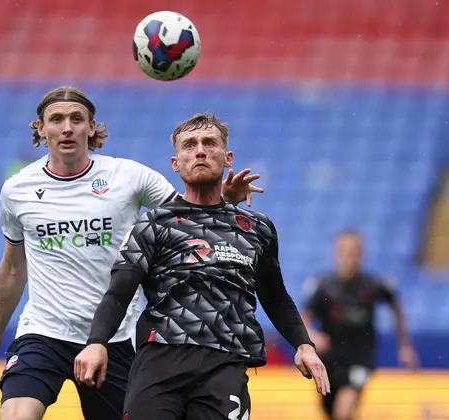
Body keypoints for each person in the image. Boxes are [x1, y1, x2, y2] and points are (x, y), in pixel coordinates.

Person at [0, 87, 262, 420]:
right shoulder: (17, 190)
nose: (67, 128)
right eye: (57, 119)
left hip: (114, 336)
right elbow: (14, 268)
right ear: (40, 129)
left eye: (77, 119)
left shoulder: (129, 177)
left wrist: (226, 201)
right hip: (44, 331)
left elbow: (189, 219)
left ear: (91, 127)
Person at [74, 112, 330, 420]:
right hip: (160, 360)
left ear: (227, 157)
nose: (200, 151)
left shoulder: (256, 228)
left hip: (225, 367)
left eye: (209, 143)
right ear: (175, 162)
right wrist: (96, 343)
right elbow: (119, 292)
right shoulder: (154, 223)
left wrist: (304, 345)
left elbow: (275, 297)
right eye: (189, 145)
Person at [301, 230, 419, 420]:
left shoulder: (372, 285)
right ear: (335, 254)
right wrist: (312, 336)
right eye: (344, 252)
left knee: (344, 410)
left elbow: (396, 307)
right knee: (331, 412)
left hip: (361, 357)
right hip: (330, 358)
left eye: (354, 252)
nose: (349, 257)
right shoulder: (323, 286)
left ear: (362, 255)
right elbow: (304, 316)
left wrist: (405, 346)